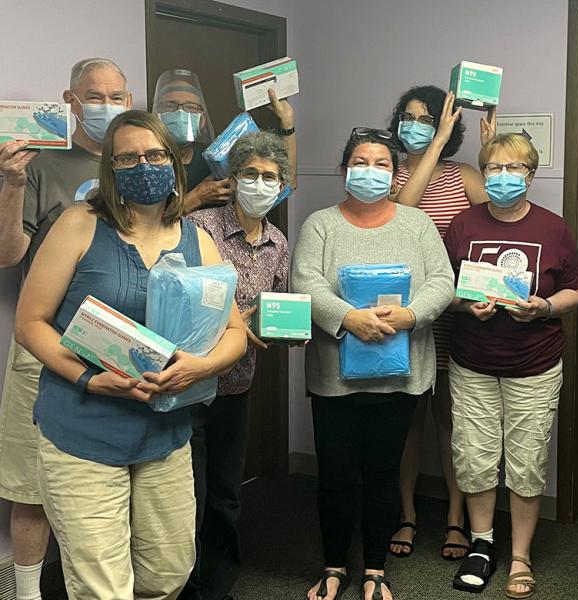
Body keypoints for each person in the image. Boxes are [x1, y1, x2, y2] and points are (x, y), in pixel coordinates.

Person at [14, 109, 247, 599]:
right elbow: (30, 323)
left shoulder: (198, 240)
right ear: (111, 169)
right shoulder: (79, 225)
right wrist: (89, 379)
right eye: (128, 158)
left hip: (164, 434)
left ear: (174, 163)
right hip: (84, 432)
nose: (145, 165)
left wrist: (202, 366)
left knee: (168, 573)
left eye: (155, 154)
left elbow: (234, 333)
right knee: (103, 588)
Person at [292, 128, 454, 600]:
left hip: (400, 374)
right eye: (360, 162)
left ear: (394, 173)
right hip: (334, 376)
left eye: (381, 163)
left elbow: (442, 281)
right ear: (344, 171)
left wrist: (409, 315)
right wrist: (347, 317)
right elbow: (306, 282)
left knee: (384, 474)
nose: (370, 171)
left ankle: (376, 570)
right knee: (337, 474)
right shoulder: (321, 224)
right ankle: (334, 565)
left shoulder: (416, 224)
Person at [0, 56, 131, 600]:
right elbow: (9, 255)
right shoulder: (41, 164)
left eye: (117, 97)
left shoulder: (136, 163)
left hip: (123, 343)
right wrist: (10, 183)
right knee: (33, 484)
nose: (107, 107)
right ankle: (26, 592)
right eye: (94, 97)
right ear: (69, 101)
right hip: (46, 340)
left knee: (116, 477)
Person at [445, 133, 578, 598]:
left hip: (535, 363)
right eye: (494, 169)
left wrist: (544, 307)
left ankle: (520, 555)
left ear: (531, 173)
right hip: (473, 363)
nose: (504, 177)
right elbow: (445, 288)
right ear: (483, 173)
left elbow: (576, 290)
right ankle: (482, 545)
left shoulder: (553, 228)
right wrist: (468, 307)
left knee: (526, 462)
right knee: (475, 456)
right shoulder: (463, 224)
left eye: (514, 169)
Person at [182, 96, 295, 600]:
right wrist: (226, 321)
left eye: (271, 177)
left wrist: (276, 324)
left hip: (238, 384)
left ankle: (219, 580)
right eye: (250, 173)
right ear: (233, 175)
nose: (260, 184)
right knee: (188, 491)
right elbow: (173, 294)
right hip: (189, 379)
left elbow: (283, 304)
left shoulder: (278, 242)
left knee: (226, 490)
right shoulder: (200, 227)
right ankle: (181, 579)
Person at [387, 87, 489, 561]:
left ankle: (455, 519)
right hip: (403, 318)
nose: (415, 124)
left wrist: (486, 153)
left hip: (455, 316)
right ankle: (406, 514)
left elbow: (495, 223)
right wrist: (433, 145)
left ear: (447, 125)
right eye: (408, 117)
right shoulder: (387, 172)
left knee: (452, 424)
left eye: (427, 119)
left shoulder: (463, 174)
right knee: (407, 424)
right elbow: (405, 210)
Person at [152, 68, 229, 212]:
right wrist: (197, 197)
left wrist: (286, 124)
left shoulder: (212, 159)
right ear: (157, 116)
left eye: (191, 107)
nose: (181, 113)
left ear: (202, 120)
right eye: (170, 106)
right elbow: (150, 226)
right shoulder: (148, 163)